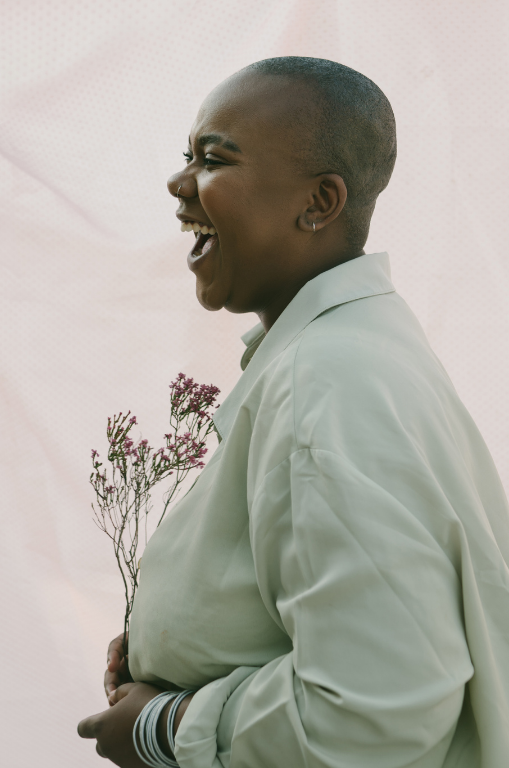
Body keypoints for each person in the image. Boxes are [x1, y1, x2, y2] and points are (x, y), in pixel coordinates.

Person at [78, 57, 509, 768]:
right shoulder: (343, 354)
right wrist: (170, 645)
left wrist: (164, 727)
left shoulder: (329, 382)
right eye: (186, 156)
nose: (178, 182)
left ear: (318, 202)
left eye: (213, 159)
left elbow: (376, 716)